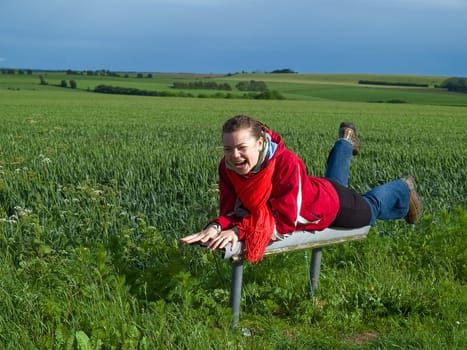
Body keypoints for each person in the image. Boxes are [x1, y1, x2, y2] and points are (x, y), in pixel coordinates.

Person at [181, 115, 422, 262]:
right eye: (227, 149)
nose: (234, 156)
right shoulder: (228, 168)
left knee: (369, 209)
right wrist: (217, 226)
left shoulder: (288, 163)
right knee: (336, 185)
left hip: (326, 206)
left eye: (242, 147)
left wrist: (239, 232)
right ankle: (345, 141)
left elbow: (285, 222)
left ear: (261, 142)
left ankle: (403, 188)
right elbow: (233, 211)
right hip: (312, 192)